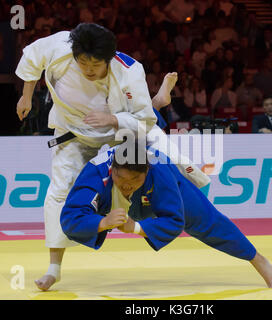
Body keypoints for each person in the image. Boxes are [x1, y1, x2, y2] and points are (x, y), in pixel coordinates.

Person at [15, 23, 209, 291]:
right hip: (73, 133)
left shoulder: (129, 70)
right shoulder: (60, 47)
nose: (88, 69)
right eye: (83, 62)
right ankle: (53, 269)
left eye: (95, 64)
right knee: (59, 192)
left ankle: (160, 100)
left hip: (120, 130)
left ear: (108, 58)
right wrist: (26, 97)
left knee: (169, 158)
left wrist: (112, 119)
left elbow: (143, 121)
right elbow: (31, 59)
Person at [60, 142, 272, 288]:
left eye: (134, 181)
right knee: (72, 213)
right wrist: (102, 222)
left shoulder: (159, 167)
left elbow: (175, 221)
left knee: (208, 220)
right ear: (113, 170)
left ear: (146, 172)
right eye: (122, 179)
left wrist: (136, 227)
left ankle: (257, 259)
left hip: (153, 194)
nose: (127, 186)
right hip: (110, 200)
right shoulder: (97, 171)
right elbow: (70, 218)